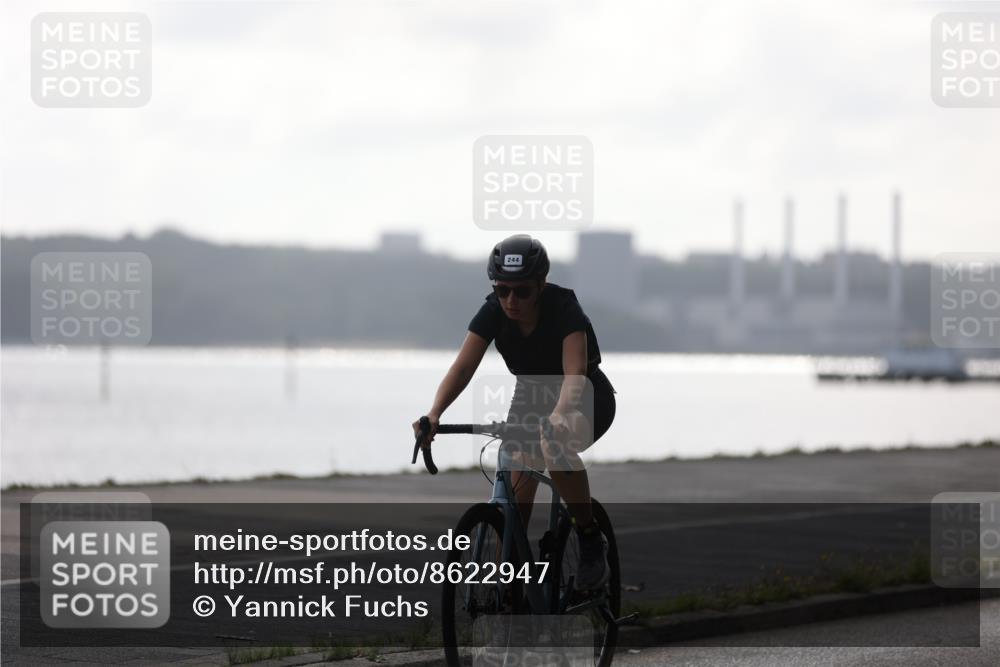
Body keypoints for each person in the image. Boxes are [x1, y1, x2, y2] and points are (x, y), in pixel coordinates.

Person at [412, 234, 617, 590]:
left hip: (583, 394)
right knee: (515, 503)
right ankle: (514, 583)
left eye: (521, 291)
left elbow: (574, 375)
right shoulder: (493, 310)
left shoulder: (564, 307)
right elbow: (462, 369)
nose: (510, 300)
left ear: (541, 285)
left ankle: (587, 537)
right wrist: (434, 414)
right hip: (531, 395)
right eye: (502, 289)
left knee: (555, 446)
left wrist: (558, 417)